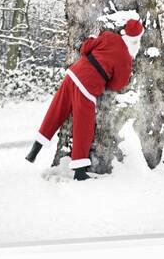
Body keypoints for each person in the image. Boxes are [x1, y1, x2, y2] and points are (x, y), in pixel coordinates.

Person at [25, 18, 145, 180]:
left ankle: (35, 150)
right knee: (84, 127)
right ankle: (80, 172)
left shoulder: (109, 36)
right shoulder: (126, 58)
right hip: (88, 86)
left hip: (73, 74)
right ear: (136, 41)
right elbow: (117, 84)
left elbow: (85, 48)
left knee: (56, 112)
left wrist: (91, 41)